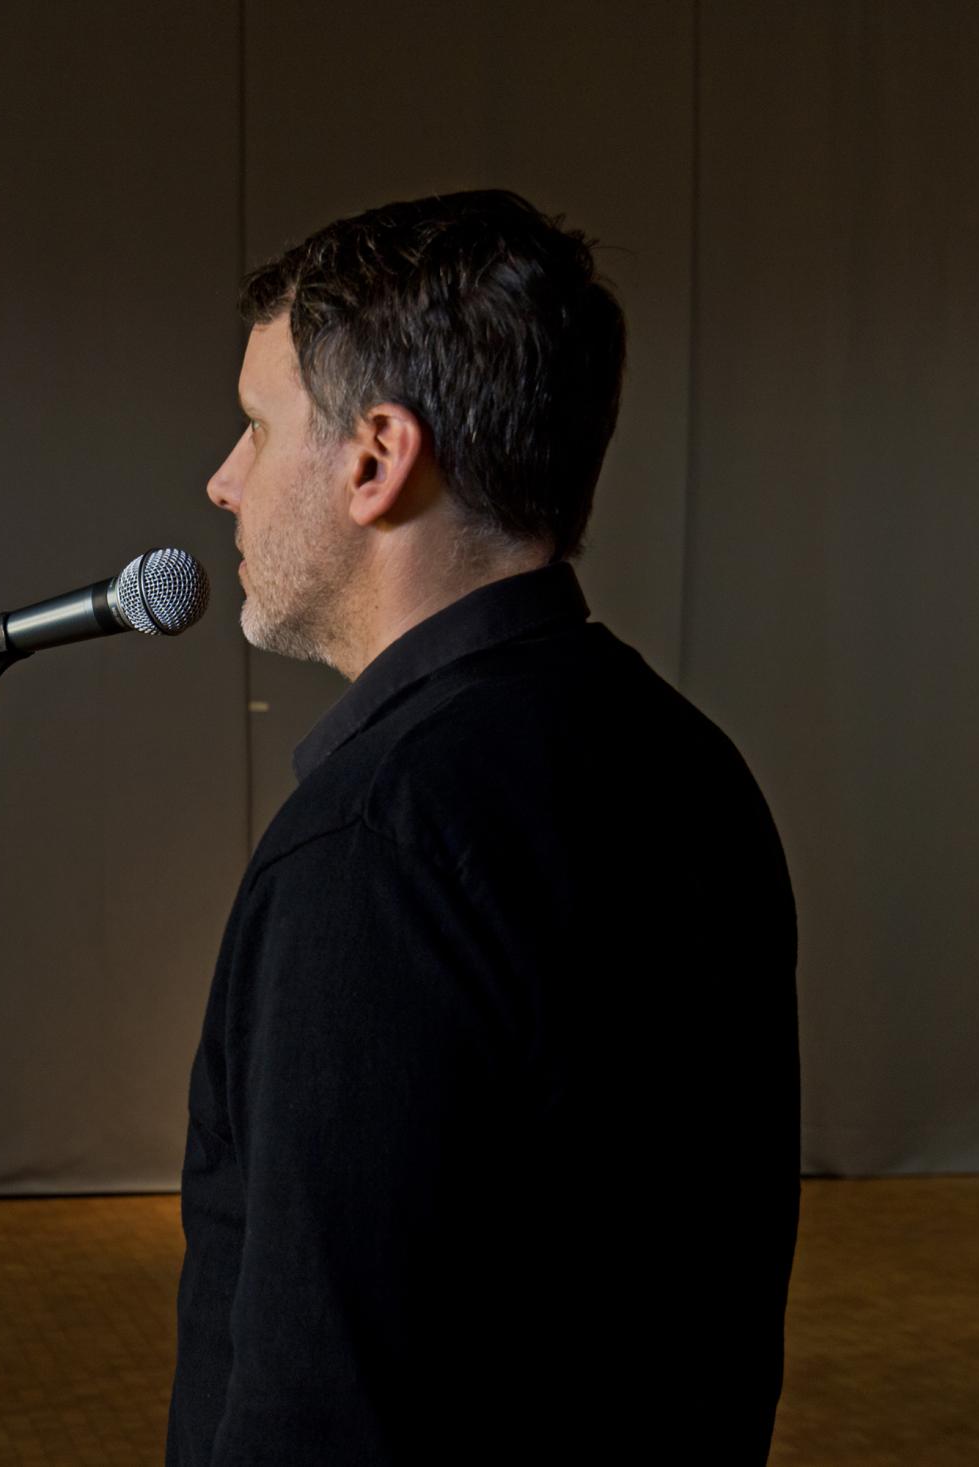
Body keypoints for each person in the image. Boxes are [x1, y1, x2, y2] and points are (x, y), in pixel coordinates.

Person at [168, 190, 800, 1464]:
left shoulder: (370, 847)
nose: (224, 481)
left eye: (256, 425)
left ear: (374, 458)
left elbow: (318, 1406)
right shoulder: (692, 766)